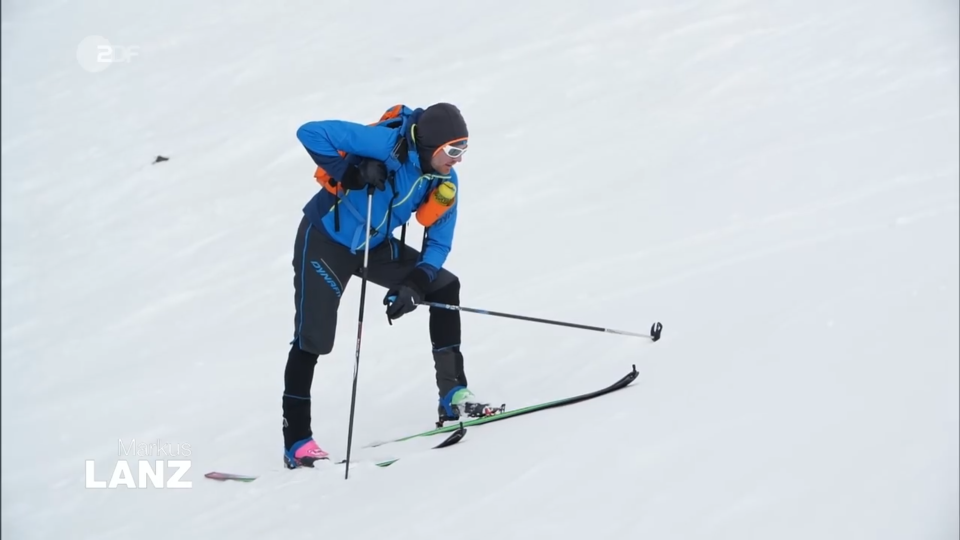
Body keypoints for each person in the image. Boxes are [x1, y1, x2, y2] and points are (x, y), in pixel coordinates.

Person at [281, 103, 495, 469]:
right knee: (314, 339)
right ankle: (297, 441)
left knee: (444, 286)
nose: (458, 159)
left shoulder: (444, 183)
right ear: (431, 145)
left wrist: (414, 283)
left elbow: (439, 243)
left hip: (374, 245)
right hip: (326, 240)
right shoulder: (385, 143)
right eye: (453, 149)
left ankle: (453, 394)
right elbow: (310, 131)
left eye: (464, 150)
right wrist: (350, 171)